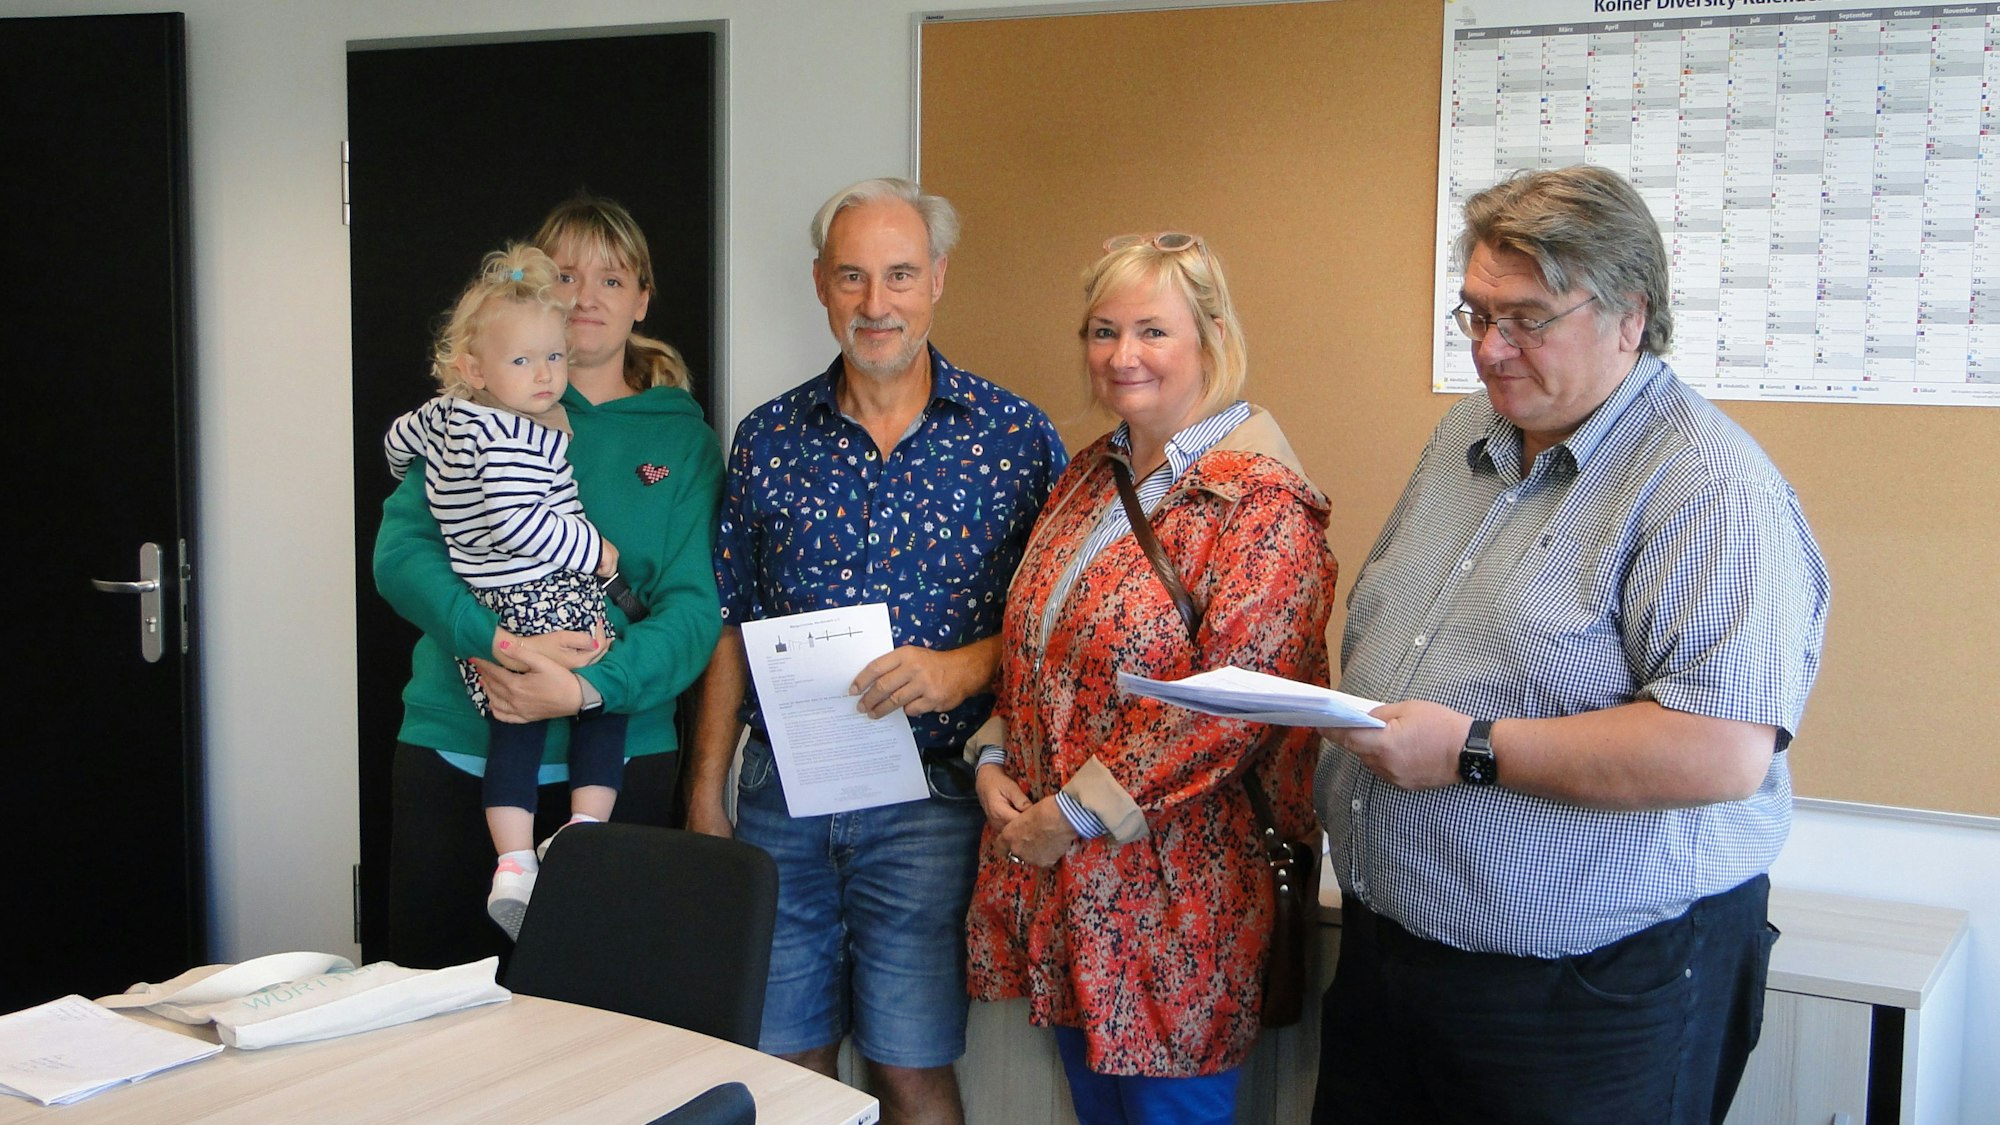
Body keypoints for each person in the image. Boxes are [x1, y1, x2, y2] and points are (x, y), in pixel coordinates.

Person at [1313, 166, 1831, 1124]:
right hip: (1399, 953)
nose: (1491, 350)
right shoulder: (1469, 433)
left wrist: (1467, 748)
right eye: (1473, 316)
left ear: (1629, 317)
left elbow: (1718, 750)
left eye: (1528, 319)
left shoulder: (1707, 489)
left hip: (1590, 987)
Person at [685, 177, 1065, 1124]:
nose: (876, 303)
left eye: (899, 274)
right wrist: (703, 789)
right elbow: (731, 619)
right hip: (783, 796)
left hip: (931, 799)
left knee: (910, 1063)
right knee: (783, 1062)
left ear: (937, 278)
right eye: (852, 276)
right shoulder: (767, 437)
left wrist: (960, 669)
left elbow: (1054, 626)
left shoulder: (1016, 438)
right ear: (821, 283)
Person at [963, 231, 1336, 1125]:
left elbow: (1237, 706)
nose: (1122, 355)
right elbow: (1034, 651)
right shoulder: (1090, 475)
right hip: (1066, 889)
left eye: (1152, 331)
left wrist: (1078, 811)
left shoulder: (1262, 504)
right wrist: (991, 758)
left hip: (1182, 906)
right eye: (1102, 330)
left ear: (1210, 336)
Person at [376, 195, 723, 969]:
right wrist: (493, 641)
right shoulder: (470, 413)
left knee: (602, 1029)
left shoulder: (683, 440)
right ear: (533, 296)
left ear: (641, 298)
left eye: (612, 277)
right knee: (440, 1024)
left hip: (620, 760)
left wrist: (588, 689)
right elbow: (400, 557)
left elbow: (694, 610)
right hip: (457, 747)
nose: (586, 295)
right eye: (565, 274)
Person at [382, 243, 634, 940]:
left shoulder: (447, 415)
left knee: (514, 727)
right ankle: (579, 832)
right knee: (603, 702)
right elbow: (517, 520)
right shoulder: (513, 433)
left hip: (493, 601)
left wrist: (411, 457)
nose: (545, 374)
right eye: (525, 362)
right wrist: (599, 551)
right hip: (542, 598)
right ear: (475, 367)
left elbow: (398, 438)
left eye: (551, 358)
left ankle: (516, 862)